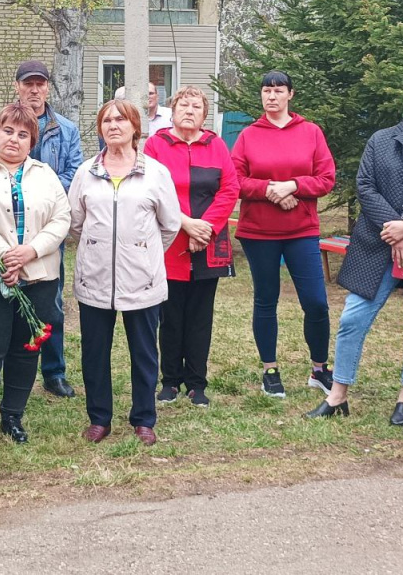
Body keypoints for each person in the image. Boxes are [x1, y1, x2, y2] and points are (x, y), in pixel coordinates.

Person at [306, 76, 403, 425]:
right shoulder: (380, 140)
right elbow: (365, 185)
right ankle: (337, 397)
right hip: (377, 242)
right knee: (352, 320)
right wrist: (394, 228)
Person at [0, 103, 70, 450]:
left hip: (38, 277)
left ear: (31, 141)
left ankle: (12, 415)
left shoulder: (45, 175)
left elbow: (61, 219)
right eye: (8, 131)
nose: (14, 140)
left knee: (25, 350)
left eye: (23, 134)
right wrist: (7, 253)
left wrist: (30, 252)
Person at [69, 99, 181, 446]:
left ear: (136, 127)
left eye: (120, 119)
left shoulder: (155, 173)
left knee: (144, 353)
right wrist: (99, 250)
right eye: (106, 120)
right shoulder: (86, 171)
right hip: (95, 279)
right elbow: (75, 223)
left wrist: (142, 254)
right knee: (94, 353)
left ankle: (144, 418)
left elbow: (170, 225)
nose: (113, 125)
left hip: (141, 281)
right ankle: (99, 418)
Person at [0, 60, 83, 399]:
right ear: (17, 86)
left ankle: (54, 371)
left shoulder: (65, 130)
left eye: (40, 84)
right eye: (28, 84)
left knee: (49, 305)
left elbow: (74, 175)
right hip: (2, 233)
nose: (34, 90)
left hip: (46, 232)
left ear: (48, 88)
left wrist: (40, 193)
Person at [231, 70, 336, 398]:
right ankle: (270, 370)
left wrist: (295, 185)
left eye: (278, 90)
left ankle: (319, 369)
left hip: (301, 230)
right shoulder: (249, 135)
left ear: (290, 94)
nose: (271, 96)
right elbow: (235, 180)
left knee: (316, 303)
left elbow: (326, 178)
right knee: (266, 299)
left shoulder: (311, 132)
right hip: (259, 232)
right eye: (266, 90)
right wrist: (271, 190)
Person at [143, 87, 239, 407]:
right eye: (183, 105)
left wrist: (206, 228)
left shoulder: (216, 145)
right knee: (170, 317)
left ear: (204, 113)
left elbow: (229, 189)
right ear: (172, 110)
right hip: (170, 243)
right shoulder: (157, 145)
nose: (189, 110)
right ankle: (170, 381)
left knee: (200, 318)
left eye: (196, 106)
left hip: (207, 245)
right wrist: (184, 223)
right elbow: (150, 191)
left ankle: (197, 383)